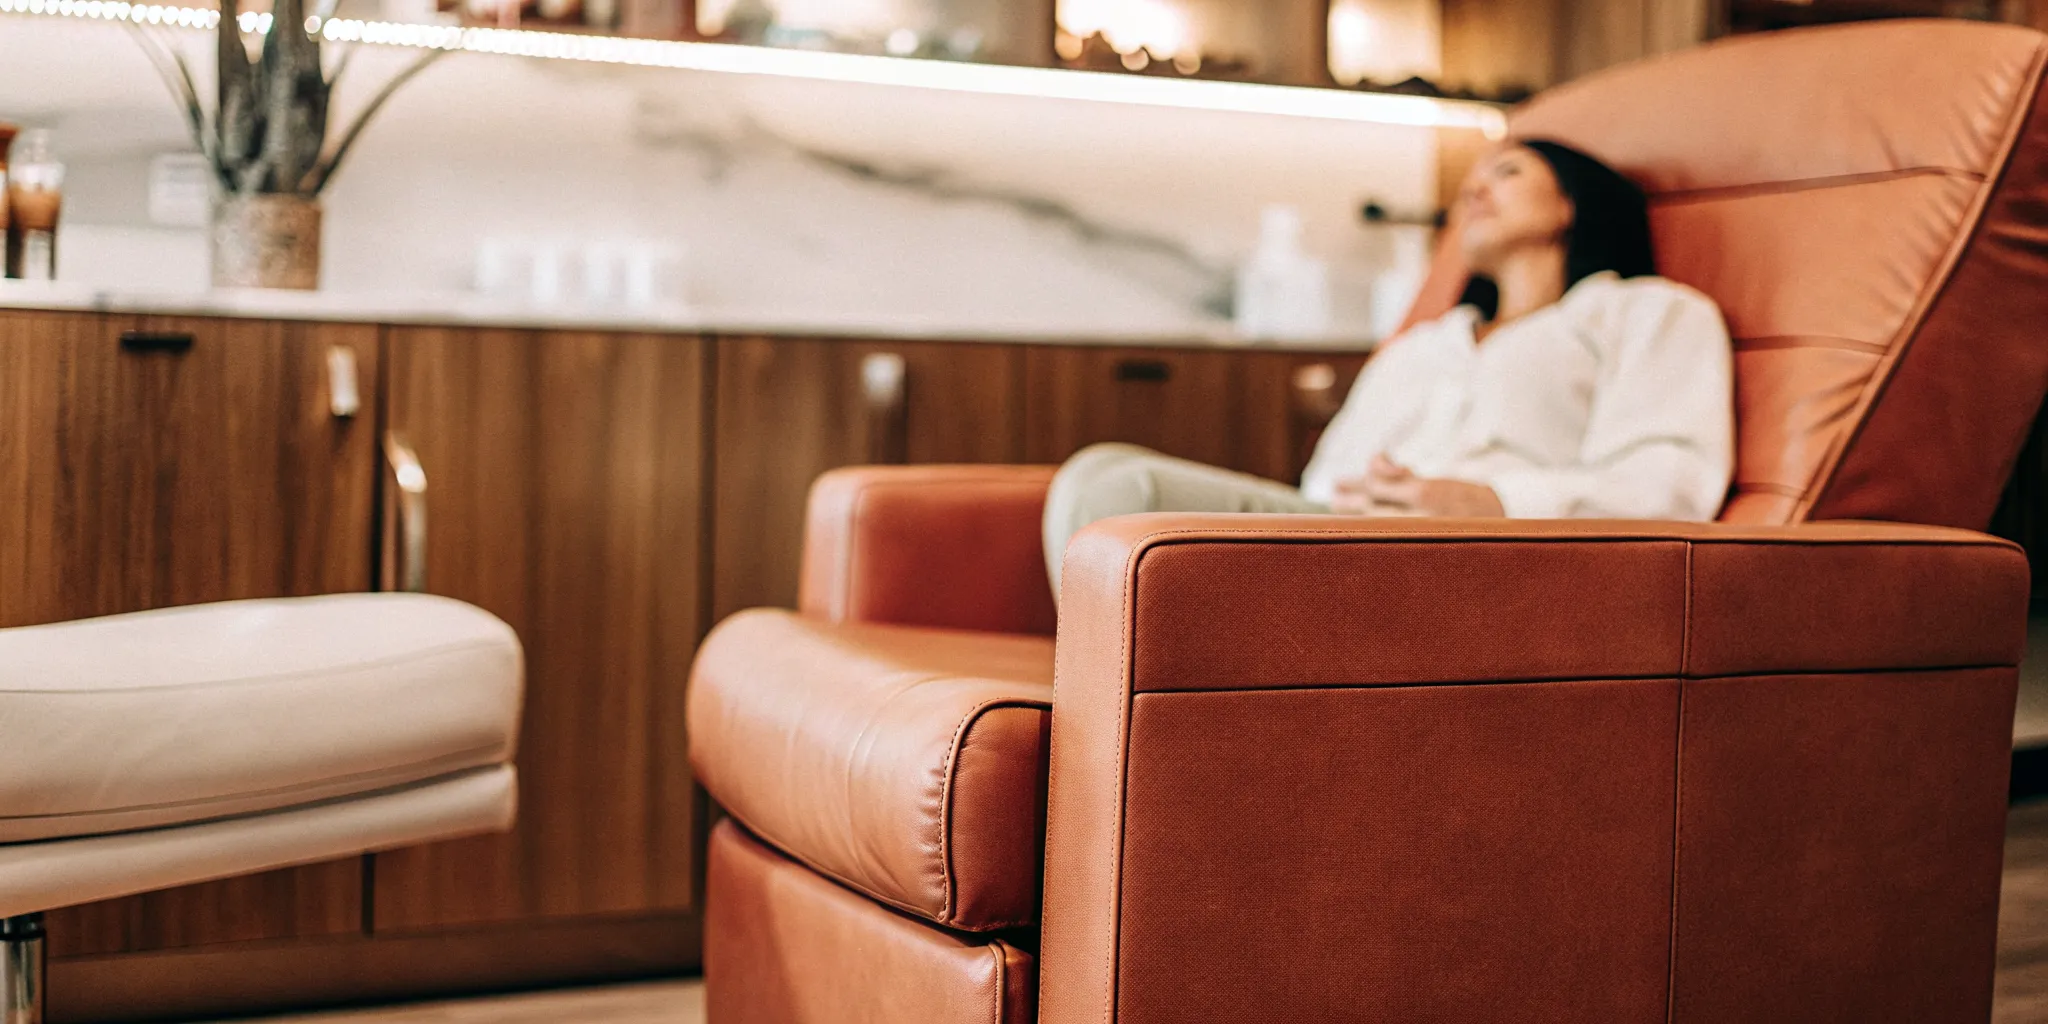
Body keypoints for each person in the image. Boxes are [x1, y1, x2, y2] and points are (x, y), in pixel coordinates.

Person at [1043, 139, 1735, 591]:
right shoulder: (1427, 343)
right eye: (1468, 185)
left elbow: (1669, 482)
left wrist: (1493, 502)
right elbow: (1323, 481)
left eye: (1507, 171)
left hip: (1485, 560)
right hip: (1347, 538)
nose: (1475, 191)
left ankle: (1099, 726)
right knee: (1095, 474)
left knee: (1122, 494)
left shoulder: (1645, 313)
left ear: (1569, 204)